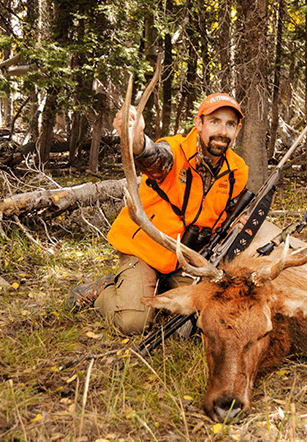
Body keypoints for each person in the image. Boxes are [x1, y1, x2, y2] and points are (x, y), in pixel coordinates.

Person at [68, 93, 248, 335]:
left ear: (237, 130)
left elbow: (227, 213)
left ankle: (156, 289)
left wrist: (238, 222)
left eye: (230, 124)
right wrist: (136, 138)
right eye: (215, 121)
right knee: (133, 323)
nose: (222, 131)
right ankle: (103, 288)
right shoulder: (174, 152)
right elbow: (150, 156)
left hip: (187, 259)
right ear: (199, 124)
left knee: (192, 325)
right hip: (145, 249)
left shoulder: (237, 171)